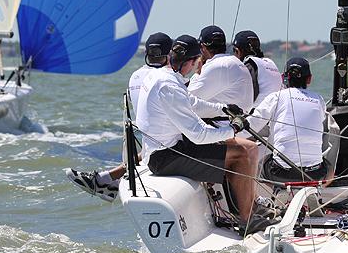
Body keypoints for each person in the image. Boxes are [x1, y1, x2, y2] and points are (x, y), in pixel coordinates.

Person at [138, 34, 260, 223]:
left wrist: (224, 108)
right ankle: (247, 220)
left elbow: (191, 102)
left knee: (248, 148)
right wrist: (232, 129)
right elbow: (199, 135)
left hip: (166, 148)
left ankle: (249, 207)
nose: (199, 66)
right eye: (198, 62)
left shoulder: (163, 75)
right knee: (241, 154)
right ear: (193, 61)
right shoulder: (169, 85)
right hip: (165, 157)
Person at [65, 32, 174, 201]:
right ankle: (107, 180)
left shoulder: (135, 75)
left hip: (147, 135)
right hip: (161, 139)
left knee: (148, 147)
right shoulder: (165, 77)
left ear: (147, 53)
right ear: (170, 54)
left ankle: (107, 180)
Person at [248, 57, 329, 183]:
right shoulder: (319, 100)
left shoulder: (275, 97)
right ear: (309, 79)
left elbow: (252, 125)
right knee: (329, 168)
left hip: (280, 172)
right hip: (314, 174)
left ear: (283, 77)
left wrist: (230, 132)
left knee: (259, 163)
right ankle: (316, 193)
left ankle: (267, 198)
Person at [188, 25, 254, 113]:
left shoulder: (218, 65)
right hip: (237, 121)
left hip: (222, 124)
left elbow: (187, 99)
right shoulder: (235, 62)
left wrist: (197, 72)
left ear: (203, 47)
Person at [232, 30, 282, 106]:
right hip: (274, 113)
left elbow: (250, 95)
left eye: (234, 51)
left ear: (238, 51)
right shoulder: (270, 62)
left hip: (256, 114)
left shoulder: (250, 64)